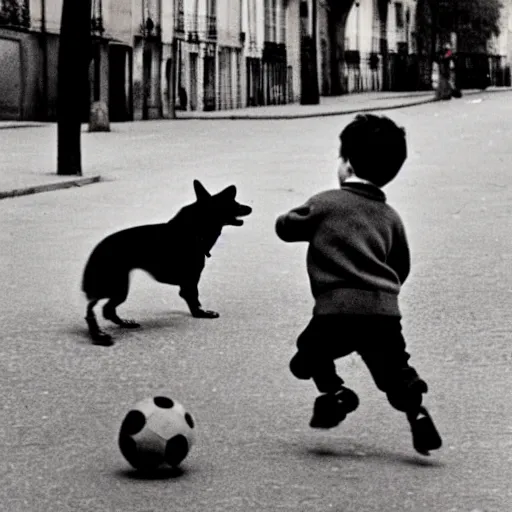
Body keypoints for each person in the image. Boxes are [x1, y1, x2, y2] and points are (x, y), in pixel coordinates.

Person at [275, 114, 442, 456]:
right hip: (383, 312)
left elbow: (286, 227)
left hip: (334, 312)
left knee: (308, 355)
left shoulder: (325, 202)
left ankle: (336, 392)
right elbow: (401, 266)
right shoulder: (391, 216)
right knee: (393, 369)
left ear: (347, 165)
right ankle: (417, 412)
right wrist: (380, 290)